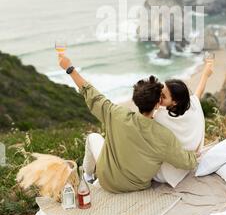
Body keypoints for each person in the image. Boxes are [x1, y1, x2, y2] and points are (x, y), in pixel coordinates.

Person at [58, 55, 198, 193]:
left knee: (92, 137)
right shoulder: (165, 136)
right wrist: (196, 153)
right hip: (136, 186)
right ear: (157, 105)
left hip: (106, 181)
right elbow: (187, 162)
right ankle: (89, 176)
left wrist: (70, 69)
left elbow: (91, 93)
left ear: (135, 99)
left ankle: (88, 176)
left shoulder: (116, 114)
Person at [153, 58, 214, 187]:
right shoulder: (191, 105)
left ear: (174, 102)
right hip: (185, 167)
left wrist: (154, 107)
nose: (159, 97)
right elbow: (199, 92)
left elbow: (144, 121)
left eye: (163, 96)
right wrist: (205, 74)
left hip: (165, 174)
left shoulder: (160, 116)